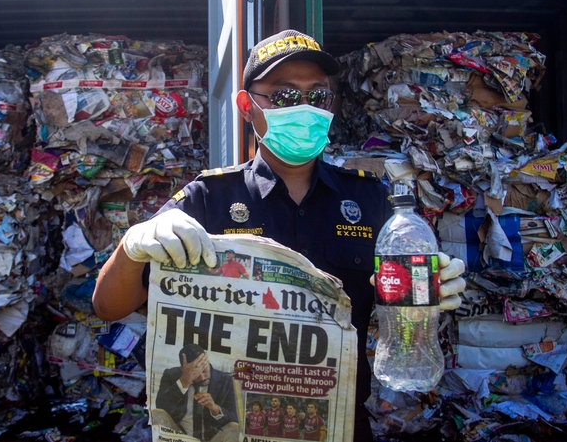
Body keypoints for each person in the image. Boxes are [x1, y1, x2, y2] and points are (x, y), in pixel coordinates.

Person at [92, 29, 467, 442]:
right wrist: (133, 247)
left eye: (319, 97)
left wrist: (428, 294)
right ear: (245, 106)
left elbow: (401, 305)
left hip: (337, 425)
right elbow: (108, 306)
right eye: (285, 96)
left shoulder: (370, 201)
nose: (305, 108)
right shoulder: (209, 199)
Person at [152, 344, 239, 441]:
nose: (202, 377)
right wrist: (184, 380)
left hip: (213, 439)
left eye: (204, 370)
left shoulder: (225, 380)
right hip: (180, 437)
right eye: (195, 373)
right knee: (156, 414)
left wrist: (215, 409)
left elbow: (235, 418)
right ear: (183, 368)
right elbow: (161, 406)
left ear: (207, 361)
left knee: (234, 428)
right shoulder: (171, 375)